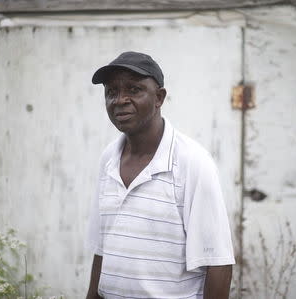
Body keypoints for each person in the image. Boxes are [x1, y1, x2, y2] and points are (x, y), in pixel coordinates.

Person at [85, 51, 235, 299]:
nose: (120, 100)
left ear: (159, 98)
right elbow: (103, 251)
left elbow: (218, 263)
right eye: (111, 92)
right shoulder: (109, 159)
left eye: (134, 90)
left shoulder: (192, 162)